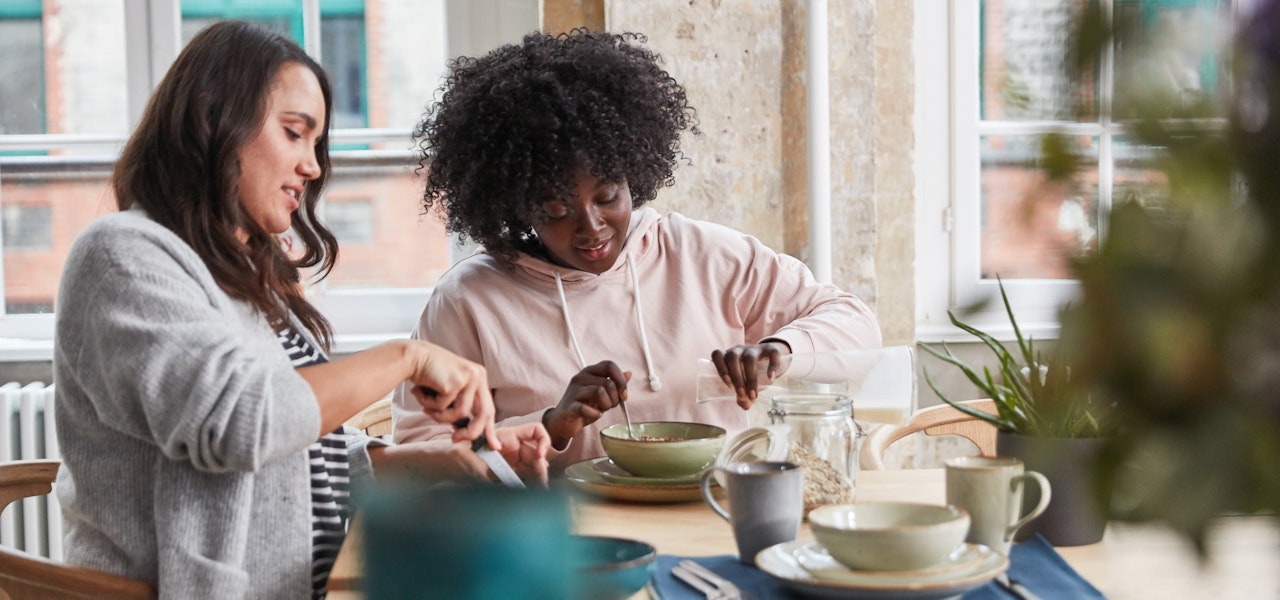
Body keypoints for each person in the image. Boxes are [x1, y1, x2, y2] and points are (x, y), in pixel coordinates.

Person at [52, 20, 549, 599]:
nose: (313, 167)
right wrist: (407, 358)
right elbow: (239, 425)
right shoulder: (122, 257)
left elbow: (299, 450)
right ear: (215, 121)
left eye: (316, 144)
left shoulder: (237, 270)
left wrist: (444, 463)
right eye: (294, 133)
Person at [392, 29, 881, 471]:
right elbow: (420, 453)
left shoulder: (703, 254)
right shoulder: (469, 299)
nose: (592, 227)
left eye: (608, 197)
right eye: (556, 210)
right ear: (516, 205)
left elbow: (856, 326)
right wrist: (552, 424)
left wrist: (781, 350)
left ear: (635, 176)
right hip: (571, 540)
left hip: (716, 514)